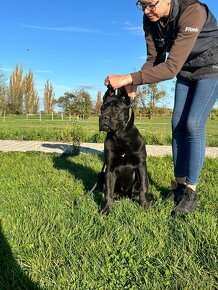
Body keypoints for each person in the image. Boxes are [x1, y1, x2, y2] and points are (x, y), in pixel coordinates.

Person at [104, 0, 218, 214]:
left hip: (212, 66)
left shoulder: (193, 11)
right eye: (142, 5)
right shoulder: (151, 20)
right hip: (186, 70)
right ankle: (179, 186)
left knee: (193, 124)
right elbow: (154, 58)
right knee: (177, 124)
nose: (147, 11)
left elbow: (171, 67)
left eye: (151, 5)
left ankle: (190, 192)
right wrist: (134, 82)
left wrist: (128, 76)